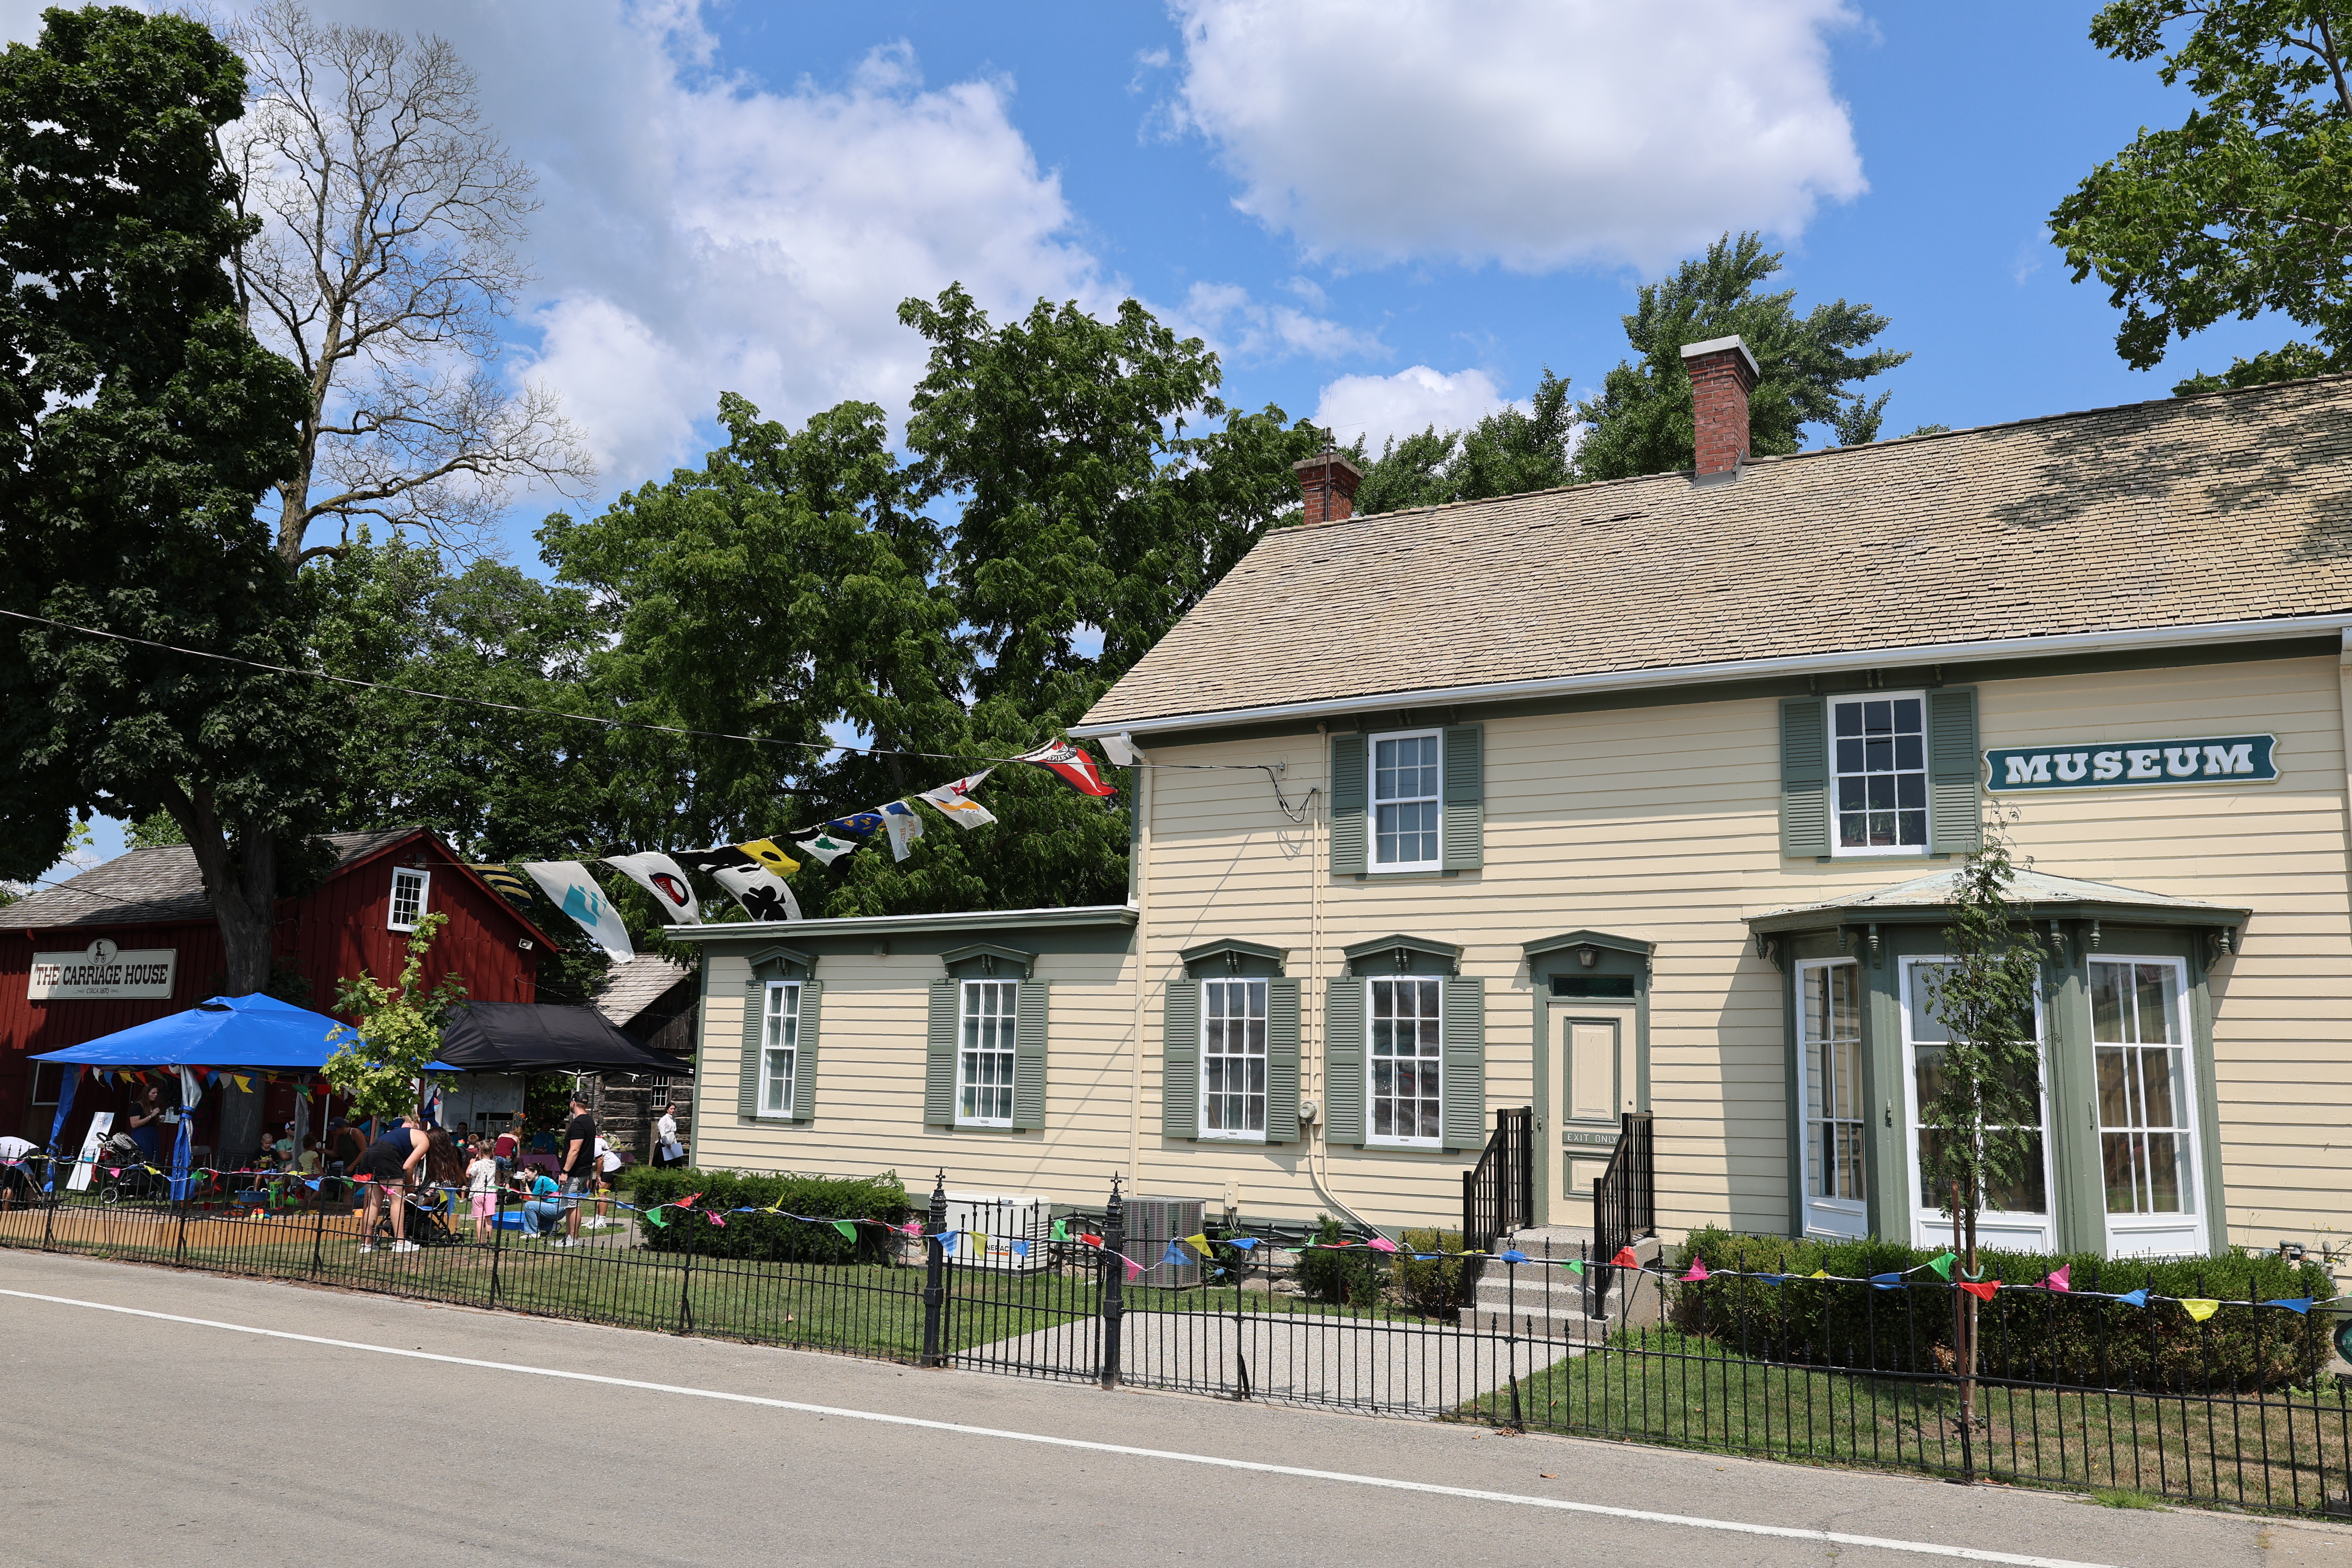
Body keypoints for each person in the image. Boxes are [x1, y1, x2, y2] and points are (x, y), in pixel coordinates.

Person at [356, 1116, 428, 1253]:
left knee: (373, 1203)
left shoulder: (402, 1135)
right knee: (397, 1201)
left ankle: (367, 1244)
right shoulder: (425, 1140)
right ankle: (401, 1242)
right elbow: (408, 1167)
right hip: (387, 1155)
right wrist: (410, 1186)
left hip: (371, 1152)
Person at [559, 1096, 597, 1244]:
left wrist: (565, 1172)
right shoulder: (589, 1122)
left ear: (574, 1102)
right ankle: (568, 1237)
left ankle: (573, 1239)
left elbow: (575, 1151)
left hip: (574, 1172)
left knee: (573, 1205)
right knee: (570, 1206)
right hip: (584, 1171)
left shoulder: (579, 1124)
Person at [517, 1167, 564, 1239]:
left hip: (557, 1208)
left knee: (529, 1206)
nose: (525, 1176)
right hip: (558, 1209)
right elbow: (524, 1196)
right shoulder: (539, 1180)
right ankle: (553, 1226)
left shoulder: (541, 1181)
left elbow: (531, 1198)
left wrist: (525, 1184)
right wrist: (521, 1182)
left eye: (527, 1173)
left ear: (535, 1172)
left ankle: (533, 1233)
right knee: (531, 1218)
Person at [0, 1132, 36, 1210]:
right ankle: (32, 1210)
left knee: (8, 1185)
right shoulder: (3, 1141)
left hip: (21, 1155)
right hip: (36, 1152)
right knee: (30, 1184)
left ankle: (5, 1213)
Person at [654, 1104, 683, 1168]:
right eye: (671, 1109)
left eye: (674, 1109)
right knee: (663, 1161)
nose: (673, 1111)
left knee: (675, 1160)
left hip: (673, 1141)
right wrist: (667, 1143)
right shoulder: (664, 1119)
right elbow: (662, 1132)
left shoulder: (674, 1119)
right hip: (665, 1142)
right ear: (667, 1110)